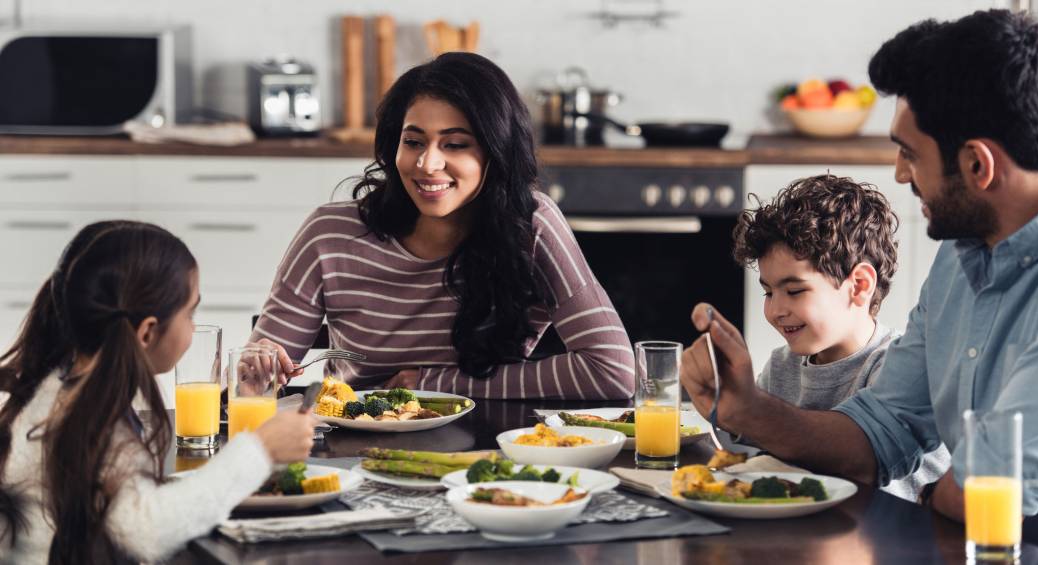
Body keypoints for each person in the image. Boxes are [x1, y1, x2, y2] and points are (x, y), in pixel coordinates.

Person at [681, 8, 1038, 532]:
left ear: (978, 166)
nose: (898, 173)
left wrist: (926, 496)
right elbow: (882, 432)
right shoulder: (962, 251)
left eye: (910, 155)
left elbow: (992, 486)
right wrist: (746, 409)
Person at [252, 52, 634, 399]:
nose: (427, 164)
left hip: (492, 446)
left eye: (454, 144)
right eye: (414, 141)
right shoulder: (329, 233)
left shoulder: (531, 225)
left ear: (496, 153)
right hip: (354, 448)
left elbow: (613, 370)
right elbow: (259, 376)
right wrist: (257, 366)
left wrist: (432, 384)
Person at [0, 221, 316, 564]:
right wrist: (261, 450)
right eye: (190, 313)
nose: (194, 327)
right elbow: (147, 533)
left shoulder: (68, 387)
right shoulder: (89, 416)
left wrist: (235, 400)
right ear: (148, 332)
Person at [688, 174, 949, 501]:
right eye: (769, 292)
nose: (776, 310)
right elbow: (755, 459)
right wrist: (721, 403)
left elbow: (874, 494)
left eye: (795, 291)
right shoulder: (782, 366)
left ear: (859, 286)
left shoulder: (895, 373)